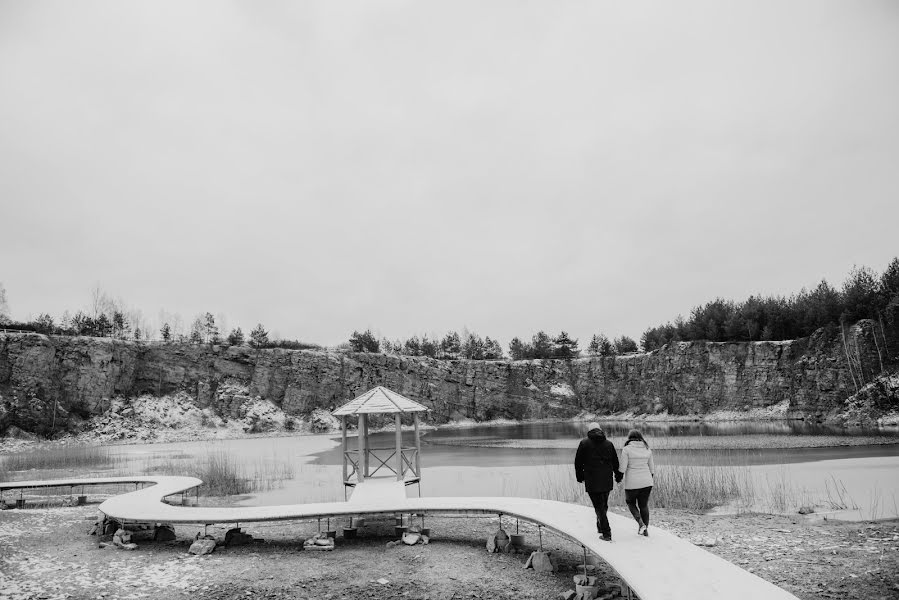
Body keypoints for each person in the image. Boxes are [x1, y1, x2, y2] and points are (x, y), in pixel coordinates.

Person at [574, 422, 619, 541]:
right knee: (603, 505)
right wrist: (618, 476)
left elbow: (578, 462)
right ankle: (600, 526)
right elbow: (615, 462)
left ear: (589, 431)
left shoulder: (584, 443)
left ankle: (606, 533)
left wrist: (580, 477)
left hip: (592, 479)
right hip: (607, 480)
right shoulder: (609, 444)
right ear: (600, 430)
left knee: (599, 506)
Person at [619, 429, 655, 537]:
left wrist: (619, 477)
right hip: (647, 481)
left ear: (629, 438)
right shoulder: (647, 449)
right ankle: (645, 530)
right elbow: (652, 469)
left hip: (632, 482)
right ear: (640, 437)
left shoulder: (626, 449)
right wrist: (648, 479)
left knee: (630, 502)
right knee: (643, 505)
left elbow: (622, 468)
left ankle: (640, 523)